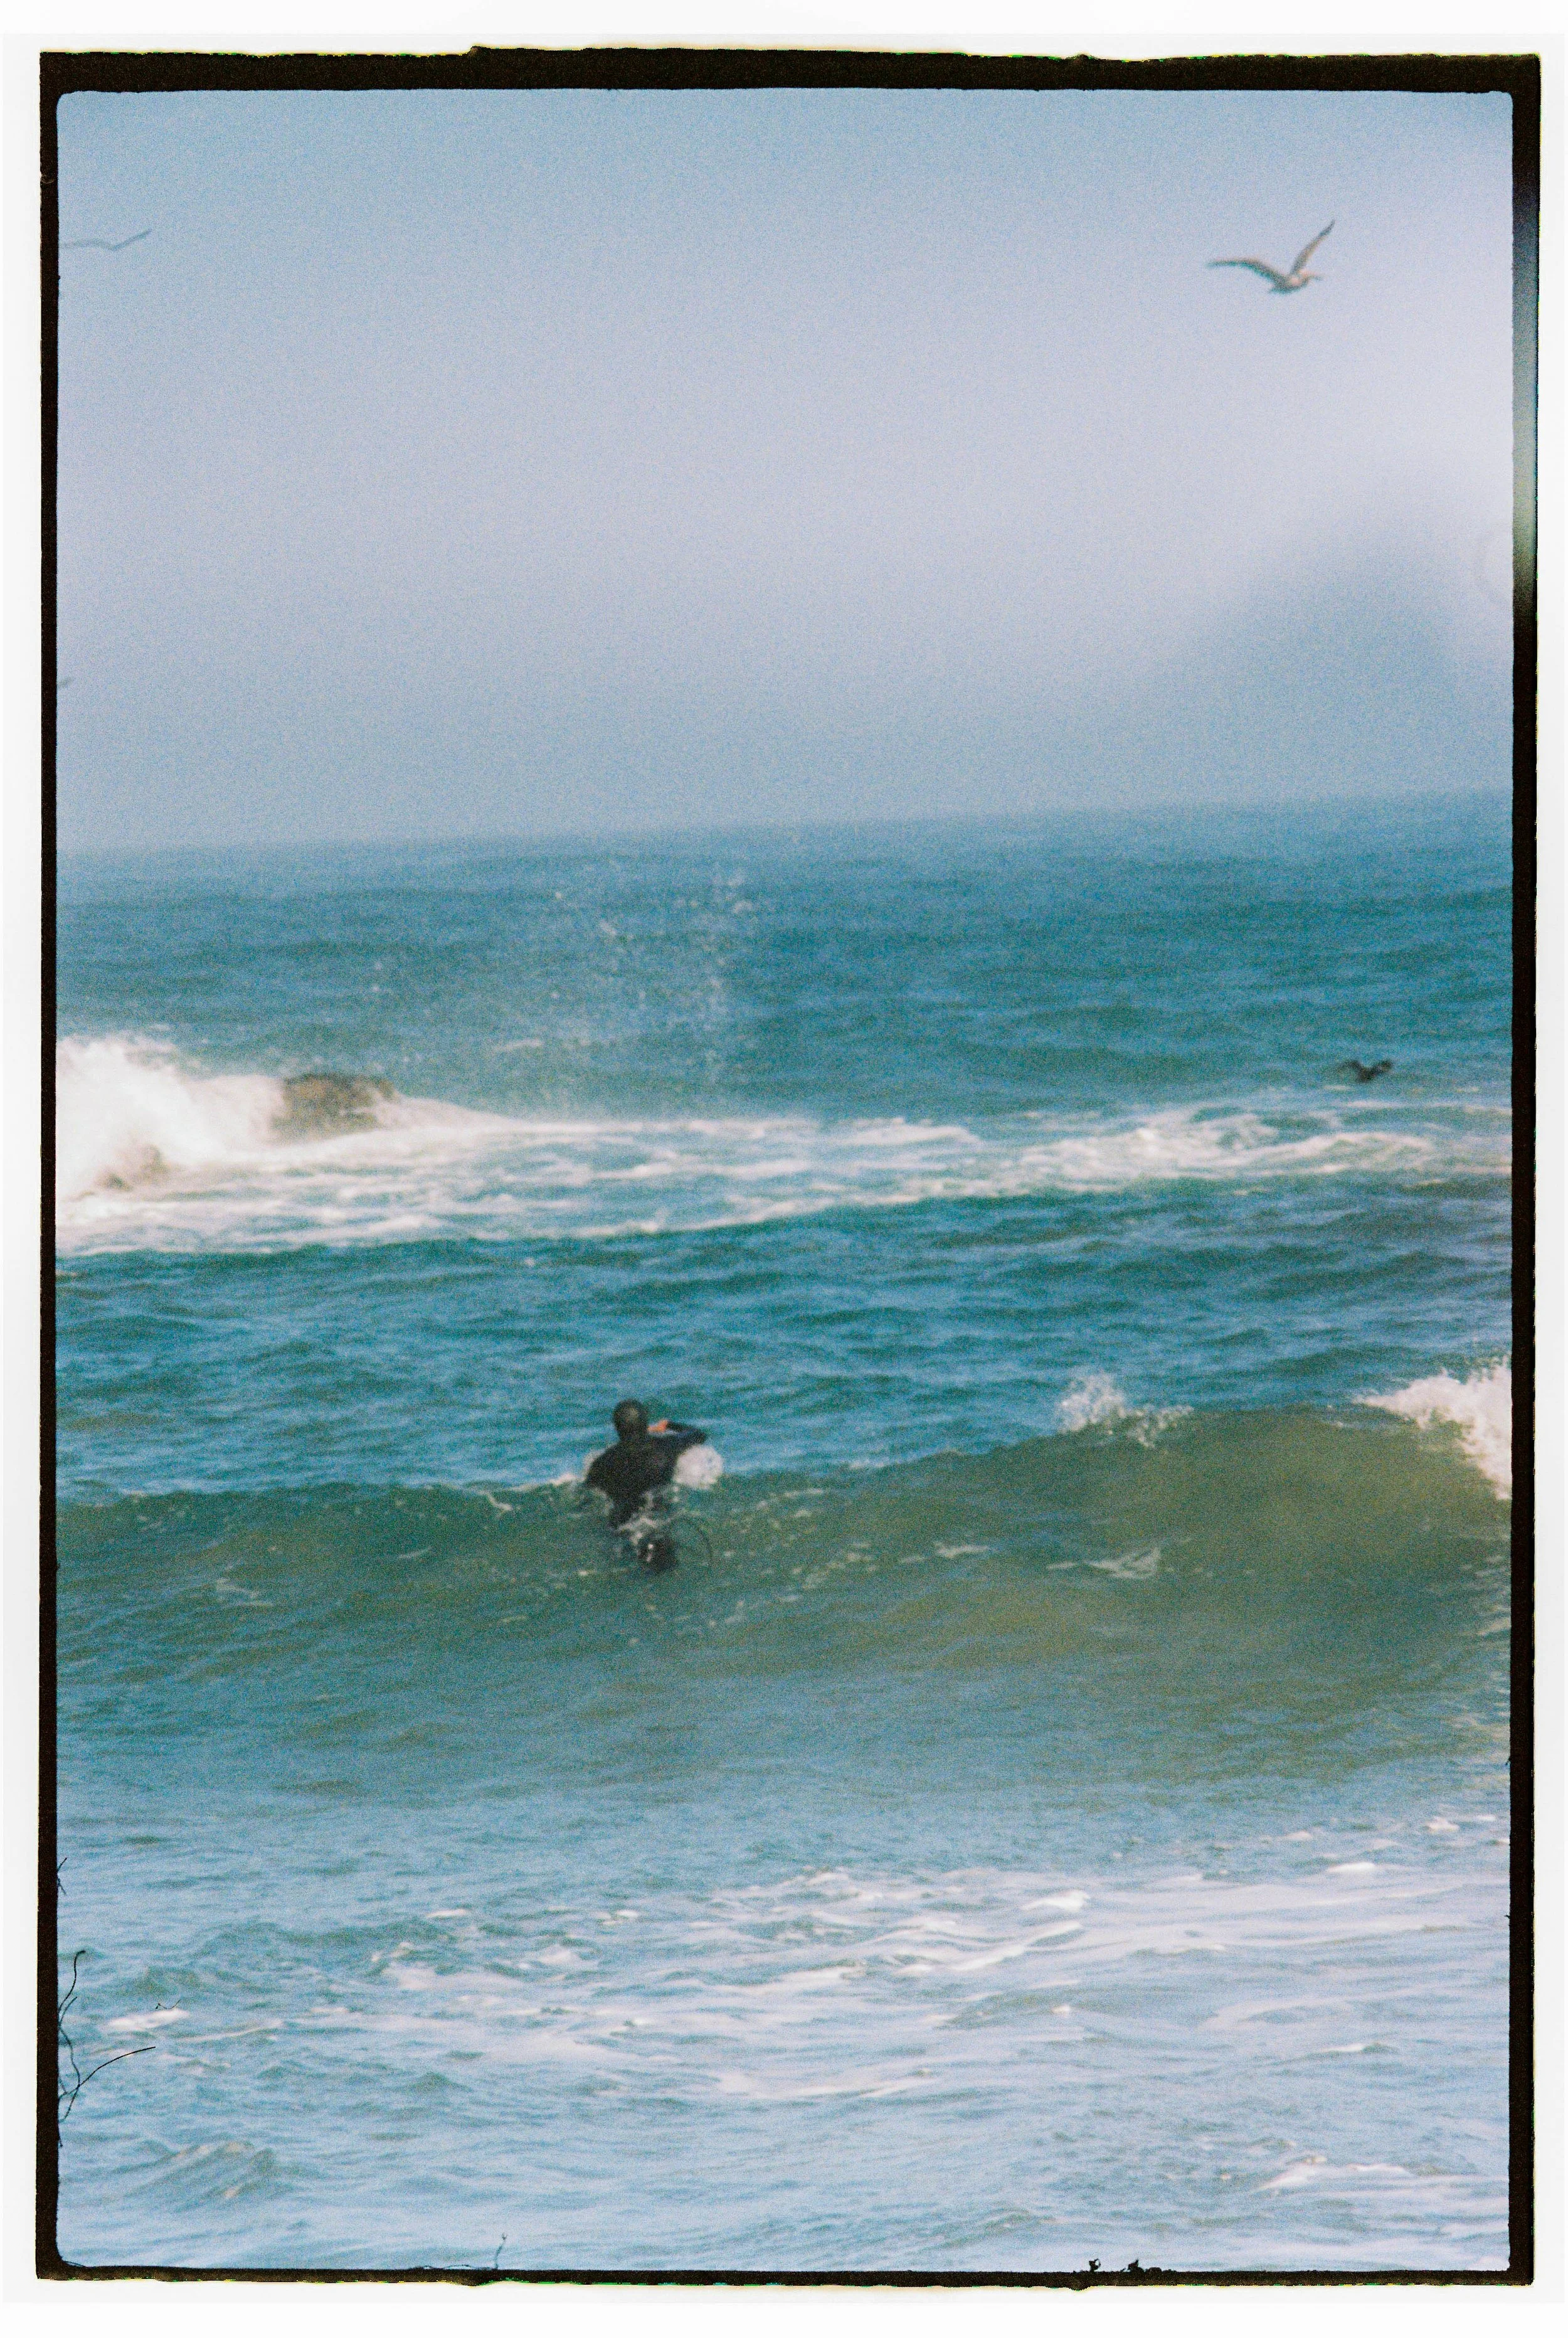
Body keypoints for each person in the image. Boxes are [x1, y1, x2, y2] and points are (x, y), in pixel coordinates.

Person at [584, 1400, 707, 1570]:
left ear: (618, 1428)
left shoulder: (602, 1463)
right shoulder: (667, 1446)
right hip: (656, 1522)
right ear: (644, 1424)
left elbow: (587, 1496)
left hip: (622, 1528)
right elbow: (698, 1434)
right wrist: (668, 1425)